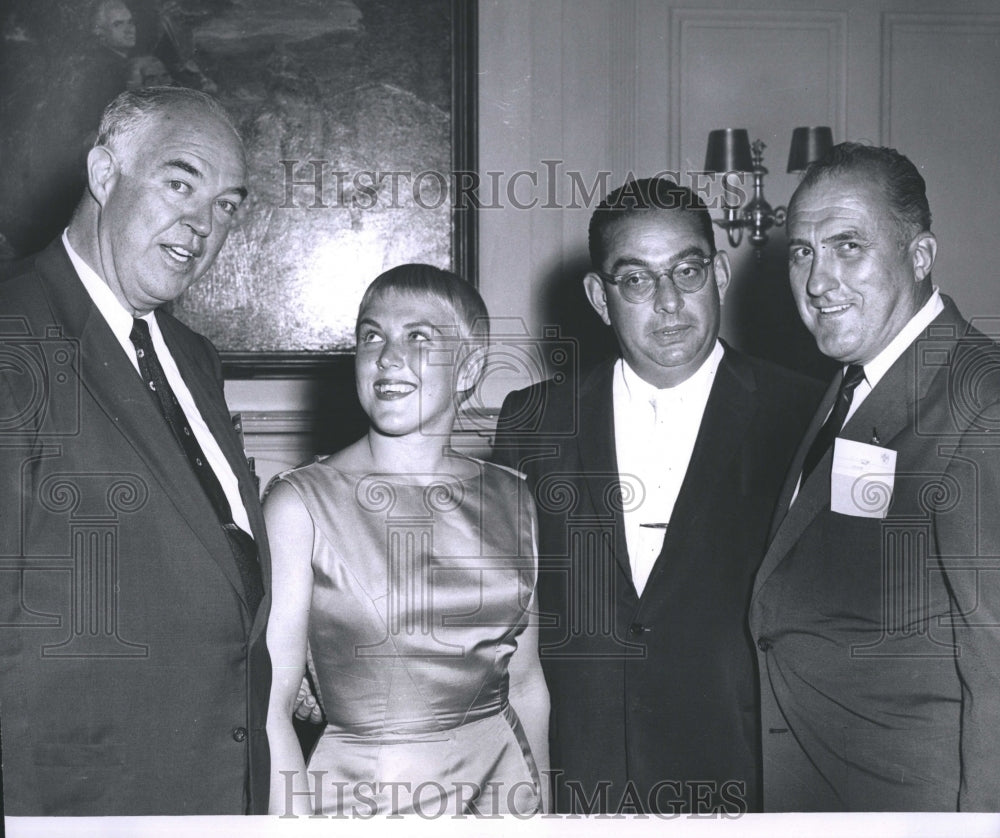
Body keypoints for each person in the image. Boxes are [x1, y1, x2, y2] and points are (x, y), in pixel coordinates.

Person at [492, 178, 823, 814]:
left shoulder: (802, 415)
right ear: (599, 296)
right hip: (579, 782)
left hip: (743, 782)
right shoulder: (534, 420)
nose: (669, 303)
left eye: (687, 271)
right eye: (637, 280)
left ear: (720, 273)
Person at [0, 86, 270, 815]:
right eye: (180, 182)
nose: (201, 225)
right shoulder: (14, 331)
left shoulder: (193, 356)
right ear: (102, 173)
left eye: (226, 205)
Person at [750, 143, 1000, 811]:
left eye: (848, 246)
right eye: (802, 251)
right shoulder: (850, 382)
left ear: (920, 256)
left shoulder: (981, 400)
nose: (818, 280)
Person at [264, 264, 550, 817]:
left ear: (469, 367)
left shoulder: (513, 496)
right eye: (372, 336)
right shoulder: (299, 505)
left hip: (503, 795)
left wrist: (547, 821)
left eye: (418, 337)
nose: (387, 357)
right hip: (362, 802)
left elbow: (527, 683)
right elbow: (273, 710)